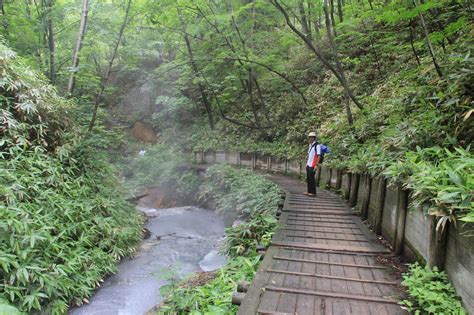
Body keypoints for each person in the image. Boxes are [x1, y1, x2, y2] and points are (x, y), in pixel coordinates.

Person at [305, 131, 321, 196]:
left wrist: (316, 165)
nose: (310, 139)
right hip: (309, 164)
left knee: (312, 179)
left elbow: (318, 155)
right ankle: (309, 191)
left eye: (312, 137)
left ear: (314, 138)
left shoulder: (317, 145)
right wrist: (307, 163)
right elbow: (310, 155)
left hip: (313, 165)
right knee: (308, 178)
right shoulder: (310, 145)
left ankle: (313, 192)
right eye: (309, 137)